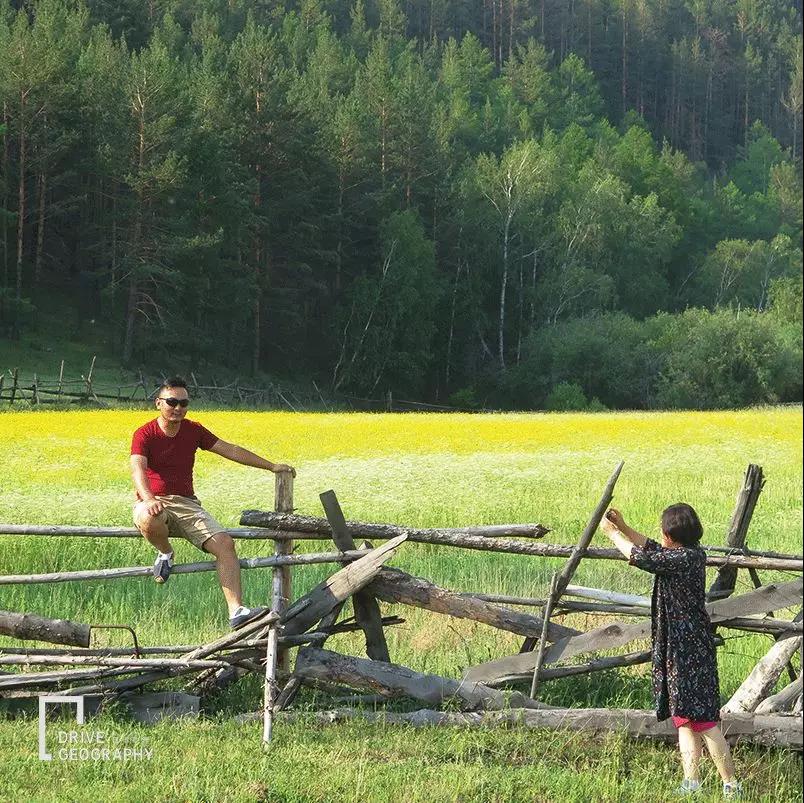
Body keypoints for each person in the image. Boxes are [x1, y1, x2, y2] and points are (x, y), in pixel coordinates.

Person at [600, 504, 742, 800]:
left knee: (703, 721)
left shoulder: (685, 559)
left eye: (662, 531)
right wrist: (624, 527)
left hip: (688, 649)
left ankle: (731, 785)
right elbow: (650, 548)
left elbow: (640, 556)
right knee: (685, 718)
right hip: (678, 647)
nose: (659, 535)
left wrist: (613, 534)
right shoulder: (685, 554)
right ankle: (692, 784)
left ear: (671, 535)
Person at [130, 376, 296, 629]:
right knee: (147, 517)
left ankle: (237, 612)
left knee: (225, 543)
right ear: (158, 403)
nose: (178, 408)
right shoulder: (144, 433)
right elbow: (137, 469)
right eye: (172, 402)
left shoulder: (194, 430)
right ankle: (165, 553)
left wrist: (272, 466)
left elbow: (230, 450)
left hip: (186, 503)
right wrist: (149, 498)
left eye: (183, 403)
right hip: (154, 500)